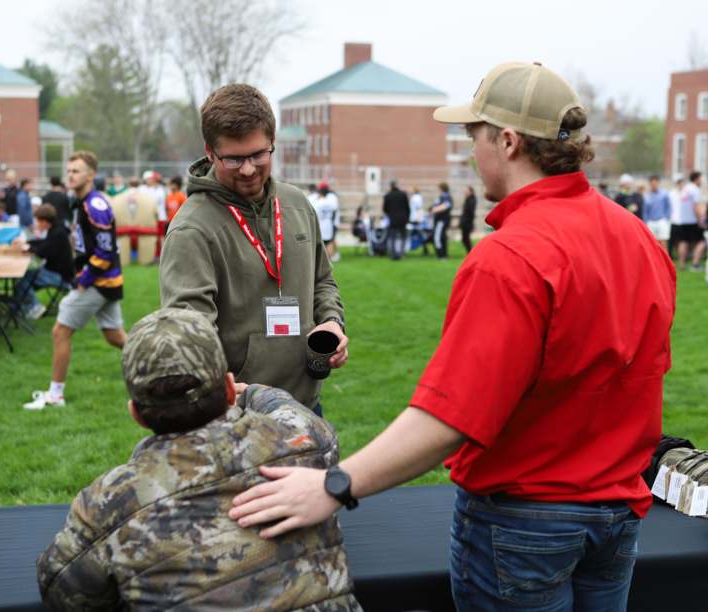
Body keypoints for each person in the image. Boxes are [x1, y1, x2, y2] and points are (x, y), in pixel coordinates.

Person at [229, 62, 677, 612]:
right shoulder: (637, 237)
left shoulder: (510, 256)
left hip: (524, 522)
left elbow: (450, 419)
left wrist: (332, 486)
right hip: (617, 515)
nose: (471, 152)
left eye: (475, 136)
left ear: (509, 142)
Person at [36, 308, 361, 611]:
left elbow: (61, 591)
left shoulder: (107, 503)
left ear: (136, 414)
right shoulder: (305, 440)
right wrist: (250, 394)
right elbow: (286, 408)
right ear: (230, 391)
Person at [160, 83, 347, 417]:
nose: (248, 169)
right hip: (237, 415)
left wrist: (332, 323)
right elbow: (189, 327)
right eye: (233, 159)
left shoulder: (297, 205)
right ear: (210, 151)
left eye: (258, 154)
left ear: (272, 143)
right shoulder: (193, 228)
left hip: (306, 406)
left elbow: (323, 281)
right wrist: (216, 382)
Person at [23, 151, 126, 410]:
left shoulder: (96, 205)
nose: (70, 175)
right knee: (115, 337)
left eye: (76, 171)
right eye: (68, 171)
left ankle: (55, 395)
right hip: (103, 281)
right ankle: (161, 362)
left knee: (60, 331)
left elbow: (106, 250)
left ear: (90, 175)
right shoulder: (80, 202)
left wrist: (85, 278)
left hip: (98, 282)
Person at [12, 204, 75, 320]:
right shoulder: (57, 229)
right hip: (57, 271)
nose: (36, 224)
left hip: (62, 277)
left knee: (22, 278)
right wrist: (26, 243)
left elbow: (42, 252)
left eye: (38, 221)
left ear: (45, 221)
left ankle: (35, 307)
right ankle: (16, 306)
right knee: (24, 278)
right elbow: (44, 244)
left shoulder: (57, 233)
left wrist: (26, 247)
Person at [671, 171, 706, 270]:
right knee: (702, 241)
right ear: (696, 179)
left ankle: (681, 264)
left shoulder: (685, 188)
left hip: (681, 221)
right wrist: (700, 220)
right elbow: (696, 206)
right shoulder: (695, 189)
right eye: (700, 178)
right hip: (692, 220)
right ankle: (695, 264)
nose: (701, 181)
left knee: (683, 241)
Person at [313, 183, 341, 262]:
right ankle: (329, 261)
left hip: (320, 224)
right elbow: (334, 210)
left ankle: (322, 261)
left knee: (320, 244)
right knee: (329, 242)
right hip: (328, 224)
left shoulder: (317, 203)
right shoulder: (330, 202)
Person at [382, 180, 410, 260]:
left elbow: (385, 209)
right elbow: (407, 208)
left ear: (390, 186)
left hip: (393, 219)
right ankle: (401, 253)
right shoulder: (403, 194)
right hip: (403, 219)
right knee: (403, 236)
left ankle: (394, 254)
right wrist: (407, 217)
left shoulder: (387, 196)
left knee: (392, 237)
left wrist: (390, 214)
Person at [643, 175, 672, 250]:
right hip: (651, 222)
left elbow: (668, 207)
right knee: (651, 243)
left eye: (655, 183)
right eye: (652, 184)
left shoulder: (664, 194)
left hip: (662, 221)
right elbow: (645, 211)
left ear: (658, 183)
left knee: (663, 243)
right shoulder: (647, 195)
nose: (654, 185)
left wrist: (666, 218)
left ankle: (665, 261)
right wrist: (646, 222)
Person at [430, 182, 453, 258]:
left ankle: (441, 255)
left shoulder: (446, 196)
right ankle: (443, 254)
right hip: (439, 220)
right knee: (441, 236)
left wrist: (434, 209)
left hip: (442, 220)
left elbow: (446, 205)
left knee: (437, 237)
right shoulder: (442, 196)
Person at [460, 185, 477, 254]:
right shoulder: (468, 199)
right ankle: (469, 252)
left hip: (467, 222)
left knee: (465, 238)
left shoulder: (472, 200)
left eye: (466, 190)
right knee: (465, 238)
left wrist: (471, 224)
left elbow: (471, 212)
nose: (465, 192)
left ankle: (470, 252)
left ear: (471, 191)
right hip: (465, 222)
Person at [408, 186, 425, 252]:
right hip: (414, 217)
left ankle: (420, 247)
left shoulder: (417, 198)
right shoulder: (415, 197)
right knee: (418, 233)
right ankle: (423, 247)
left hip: (416, 218)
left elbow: (419, 208)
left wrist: (419, 218)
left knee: (419, 233)